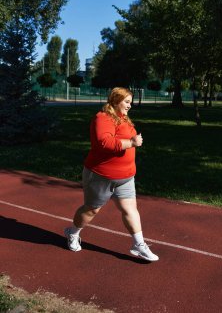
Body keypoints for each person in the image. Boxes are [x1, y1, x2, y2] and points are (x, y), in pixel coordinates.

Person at [64, 87, 159, 262]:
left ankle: (138, 245)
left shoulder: (123, 118)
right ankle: (73, 232)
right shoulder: (103, 118)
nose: (130, 106)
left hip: (126, 177)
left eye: (130, 102)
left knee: (130, 210)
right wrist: (131, 142)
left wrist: (133, 141)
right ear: (115, 100)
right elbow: (104, 142)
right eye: (127, 102)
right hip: (101, 175)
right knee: (92, 209)